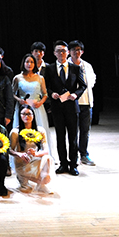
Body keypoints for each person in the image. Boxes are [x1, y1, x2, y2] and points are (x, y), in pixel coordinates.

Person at [45, 40, 86, 176]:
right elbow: (46, 86)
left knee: (73, 137)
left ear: (68, 52)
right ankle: (63, 163)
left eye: (63, 51)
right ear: (54, 53)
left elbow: (83, 85)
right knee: (60, 136)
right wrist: (51, 93)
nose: (61, 53)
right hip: (57, 107)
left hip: (72, 107)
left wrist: (76, 94)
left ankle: (73, 164)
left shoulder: (75, 68)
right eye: (58, 51)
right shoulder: (50, 68)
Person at [9, 104, 53, 193]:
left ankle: (41, 184)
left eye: (29, 114)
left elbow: (46, 150)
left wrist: (35, 154)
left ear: (33, 115)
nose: (26, 116)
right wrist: (19, 154)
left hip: (35, 159)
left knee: (48, 158)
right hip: (22, 163)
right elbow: (9, 150)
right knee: (27, 189)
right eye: (24, 114)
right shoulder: (15, 132)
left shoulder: (40, 130)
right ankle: (22, 178)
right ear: (20, 115)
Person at [11, 55, 51, 148]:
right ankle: (21, 151)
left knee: (39, 130)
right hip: (23, 108)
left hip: (37, 108)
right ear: (23, 63)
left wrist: (40, 102)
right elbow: (12, 94)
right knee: (21, 130)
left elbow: (45, 94)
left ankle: (40, 151)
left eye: (32, 62)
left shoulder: (40, 78)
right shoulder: (17, 78)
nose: (29, 64)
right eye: (27, 62)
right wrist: (19, 100)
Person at [69, 40, 97, 166]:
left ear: (82, 51)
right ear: (69, 52)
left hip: (86, 102)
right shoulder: (67, 65)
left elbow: (92, 79)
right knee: (73, 131)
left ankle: (84, 154)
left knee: (85, 130)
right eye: (74, 50)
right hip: (73, 102)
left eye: (79, 50)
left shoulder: (87, 66)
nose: (76, 52)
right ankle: (73, 156)